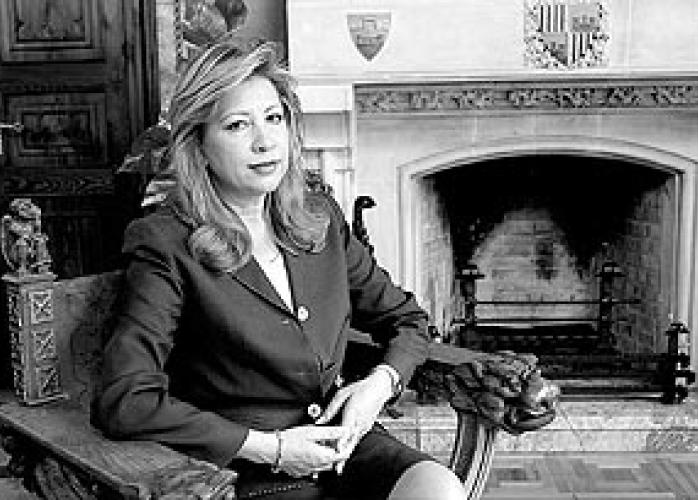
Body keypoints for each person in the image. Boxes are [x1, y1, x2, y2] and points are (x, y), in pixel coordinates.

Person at [95, 37, 466, 500]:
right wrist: (272, 449)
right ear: (199, 145)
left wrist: (378, 386)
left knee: (438, 487)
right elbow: (125, 399)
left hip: (344, 445)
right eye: (237, 125)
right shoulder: (165, 242)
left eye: (274, 118)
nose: (265, 141)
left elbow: (407, 319)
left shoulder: (320, 218)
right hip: (244, 470)